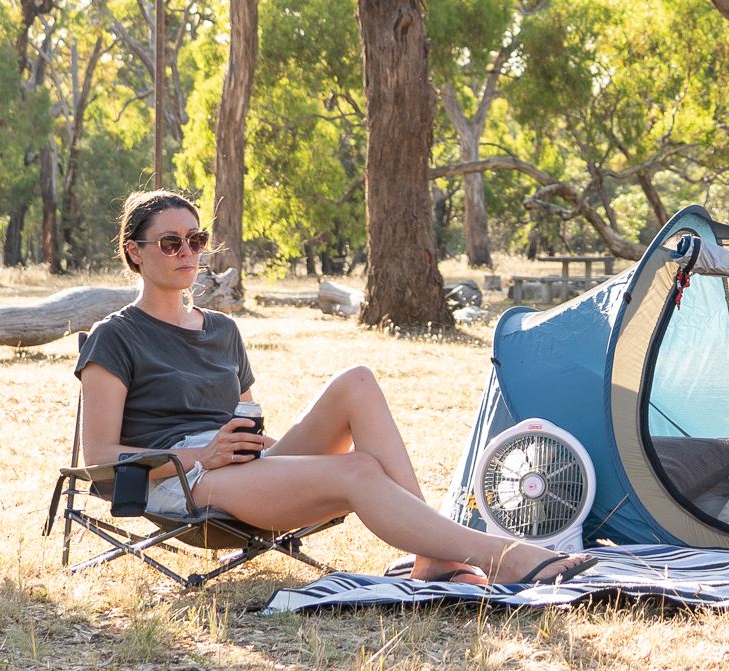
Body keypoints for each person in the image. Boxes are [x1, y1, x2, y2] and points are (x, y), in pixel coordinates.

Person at [76, 189, 589, 584]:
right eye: (170, 242)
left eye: (196, 239)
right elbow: (100, 458)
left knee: (357, 382)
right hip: (179, 480)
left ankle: (433, 557)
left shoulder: (222, 330)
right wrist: (203, 456)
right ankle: (502, 557)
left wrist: (262, 450)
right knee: (357, 471)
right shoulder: (115, 337)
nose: (187, 251)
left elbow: (244, 425)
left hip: (236, 465)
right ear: (135, 252)